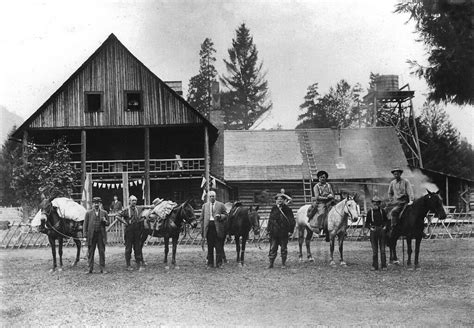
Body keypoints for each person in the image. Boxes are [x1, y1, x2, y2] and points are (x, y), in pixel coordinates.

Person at [116, 195, 145, 271]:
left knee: (137, 248)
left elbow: (142, 216)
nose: (134, 202)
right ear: (129, 201)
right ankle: (128, 265)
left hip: (137, 230)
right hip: (129, 230)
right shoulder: (126, 209)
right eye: (132, 200)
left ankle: (138, 264)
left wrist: (142, 219)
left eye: (135, 200)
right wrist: (124, 222)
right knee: (128, 248)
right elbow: (117, 216)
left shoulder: (138, 209)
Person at [200, 190, 228, 269]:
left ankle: (219, 263)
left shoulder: (221, 205)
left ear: (216, 197)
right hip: (209, 228)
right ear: (208, 197)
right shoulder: (204, 206)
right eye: (210, 196)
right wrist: (202, 230)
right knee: (210, 247)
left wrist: (221, 216)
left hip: (218, 228)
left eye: (213, 196)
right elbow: (202, 218)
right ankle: (210, 264)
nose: (212, 198)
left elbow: (226, 215)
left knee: (218, 246)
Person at [267, 193, 295, 269]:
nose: (279, 201)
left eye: (281, 200)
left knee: (283, 249)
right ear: (276, 201)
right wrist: (268, 230)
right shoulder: (273, 209)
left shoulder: (287, 209)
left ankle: (283, 263)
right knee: (272, 248)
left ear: (283, 200)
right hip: (274, 233)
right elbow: (270, 220)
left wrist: (290, 231)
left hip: (284, 232)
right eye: (278, 200)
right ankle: (271, 263)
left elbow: (292, 221)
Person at [83, 197, 109, 274]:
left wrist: (105, 221)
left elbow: (108, 224)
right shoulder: (88, 213)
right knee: (91, 252)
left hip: (101, 235)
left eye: (98, 203)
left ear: (100, 204)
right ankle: (90, 268)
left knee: (101, 251)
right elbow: (85, 224)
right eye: (95, 203)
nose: (96, 204)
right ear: (92, 204)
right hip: (91, 235)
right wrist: (85, 235)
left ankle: (103, 268)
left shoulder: (104, 212)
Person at [364, 196, 389, 271]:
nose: (375, 205)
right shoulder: (370, 212)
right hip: (373, 231)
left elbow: (386, 221)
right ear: (372, 204)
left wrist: (385, 227)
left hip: (381, 230)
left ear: (379, 204)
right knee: (375, 251)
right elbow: (367, 223)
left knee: (382, 250)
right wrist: (370, 228)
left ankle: (384, 265)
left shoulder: (382, 211)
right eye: (374, 203)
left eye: (377, 203)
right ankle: (375, 265)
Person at [310, 170, 334, 236]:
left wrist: (331, 196)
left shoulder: (328, 185)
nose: (322, 179)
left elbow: (332, 193)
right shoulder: (316, 186)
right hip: (321, 202)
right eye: (321, 177)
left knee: (337, 210)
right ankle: (321, 228)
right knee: (322, 213)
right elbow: (317, 197)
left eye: (324, 177)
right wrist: (326, 198)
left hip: (330, 202)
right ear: (318, 178)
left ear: (326, 178)